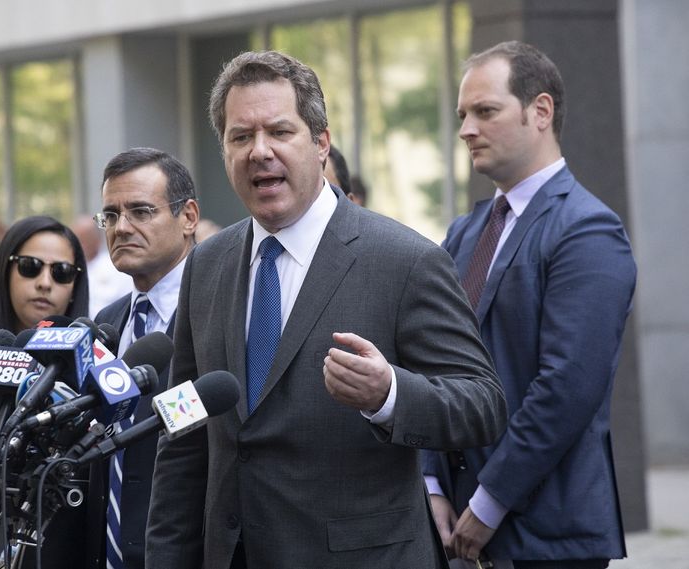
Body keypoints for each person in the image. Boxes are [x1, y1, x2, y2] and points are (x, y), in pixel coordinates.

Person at [145, 50, 506, 569]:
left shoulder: (405, 260)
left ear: (320, 143)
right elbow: (184, 436)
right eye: (240, 136)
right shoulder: (206, 265)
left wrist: (390, 394)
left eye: (279, 132)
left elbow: (483, 405)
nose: (259, 151)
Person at [422, 41, 636, 568]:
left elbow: (567, 388)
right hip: (452, 526)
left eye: (485, 111)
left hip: (548, 535)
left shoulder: (587, 229)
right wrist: (430, 483)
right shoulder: (465, 232)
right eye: (462, 115)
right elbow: (433, 362)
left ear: (540, 111)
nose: (467, 129)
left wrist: (489, 502)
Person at [89, 147, 199, 569]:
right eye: (111, 216)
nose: (121, 228)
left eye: (140, 211)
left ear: (188, 217)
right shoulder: (107, 322)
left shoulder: (219, 308)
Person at [0, 215, 89, 333]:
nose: (45, 283)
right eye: (30, 266)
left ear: (75, 287)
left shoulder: (94, 350)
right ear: (5, 272)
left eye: (62, 272)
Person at [71, 214, 134, 318]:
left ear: (97, 239)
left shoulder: (116, 268)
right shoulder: (68, 268)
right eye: (77, 239)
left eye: (86, 238)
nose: (80, 244)